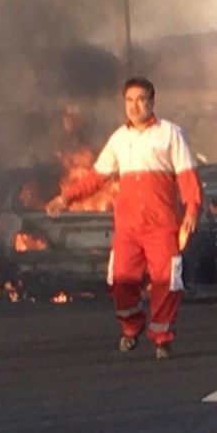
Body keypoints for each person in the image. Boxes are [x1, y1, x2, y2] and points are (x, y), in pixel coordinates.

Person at [46, 77, 202, 360]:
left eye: (141, 99)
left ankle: (161, 338)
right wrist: (66, 197)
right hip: (129, 227)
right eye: (129, 101)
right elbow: (96, 177)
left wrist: (191, 209)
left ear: (152, 102)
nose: (135, 106)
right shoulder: (119, 138)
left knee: (166, 280)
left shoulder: (171, 133)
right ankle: (131, 326)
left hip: (162, 224)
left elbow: (187, 176)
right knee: (121, 279)